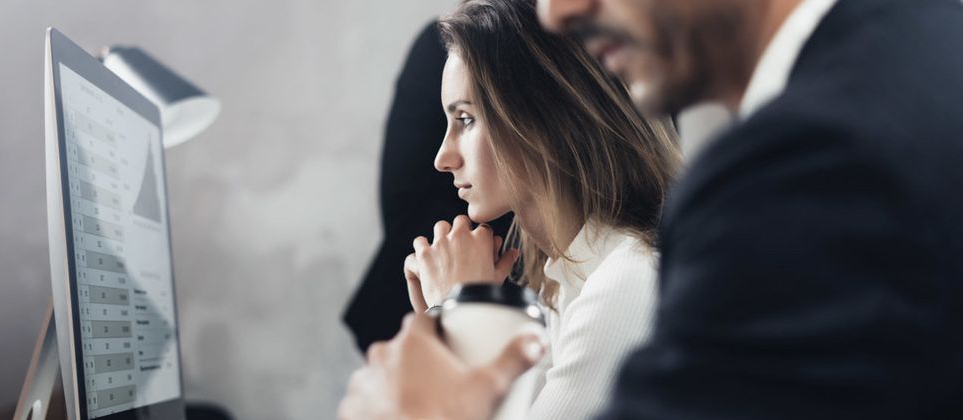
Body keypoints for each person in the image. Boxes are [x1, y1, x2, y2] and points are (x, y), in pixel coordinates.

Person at [339, 0, 963, 418]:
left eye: (467, 119)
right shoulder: (555, 282)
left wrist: (457, 335)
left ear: (546, 116)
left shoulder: (802, 163)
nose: (559, 12)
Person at [365, 0, 681, 417]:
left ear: (543, 119)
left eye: (466, 119)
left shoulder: (624, 285)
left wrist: (461, 312)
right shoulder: (562, 288)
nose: (443, 158)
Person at [343, 21, 513, 353]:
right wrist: (456, 296)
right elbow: (403, 198)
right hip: (435, 290)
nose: (443, 159)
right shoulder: (447, 46)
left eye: (466, 120)